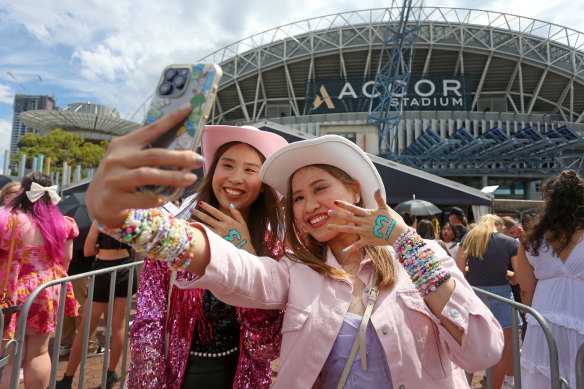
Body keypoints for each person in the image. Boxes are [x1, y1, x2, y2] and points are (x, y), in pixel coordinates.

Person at [84, 107, 504, 388]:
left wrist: (404, 241)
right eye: (298, 197)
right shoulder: (294, 272)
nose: (308, 205)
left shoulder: (425, 256)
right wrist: (132, 219)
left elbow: (483, 351)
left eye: (319, 188)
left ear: (356, 191)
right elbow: (233, 269)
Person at [126, 125, 286, 389]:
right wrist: (150, 382)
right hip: (177, 379)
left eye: (250, 169)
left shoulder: (272, 250)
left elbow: (265, 347)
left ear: (262, 186)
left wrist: (246, 254)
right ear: (213, 173)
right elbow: (148, 320)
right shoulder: (177, 236)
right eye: (228, 165)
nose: (235, 178)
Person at [0, 172, 78, 389]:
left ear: (23, 191)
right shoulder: (63, 223)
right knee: (39, 351)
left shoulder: (6, 219)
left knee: (9, 355)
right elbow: (66, 259)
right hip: (46, 289)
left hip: (11, 291)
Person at [517, 169, 584, 389]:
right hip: (581, 317)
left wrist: (531, 316)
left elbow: (525, 292)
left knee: (544, 379)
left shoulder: (531, 240)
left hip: (543, 321)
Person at [56, 220, 138, 389]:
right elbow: (137, 248)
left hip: (104, 271)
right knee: (119, 324)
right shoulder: (134, 218)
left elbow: (88, 250)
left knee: (86, 327)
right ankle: (110, 373)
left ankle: (68, 378)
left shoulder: (101, 219)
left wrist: (103, 248)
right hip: (126, 269)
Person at [456, 214, 518, 389]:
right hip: (502, 296)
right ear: (499, 226)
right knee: (504, 348)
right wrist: (505, 272)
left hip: (474, 295)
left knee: (471, 344)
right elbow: (518, 276)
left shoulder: (468, 238)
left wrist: (472, 268)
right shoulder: (510, 242)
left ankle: (466, 385)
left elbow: (459, 270)